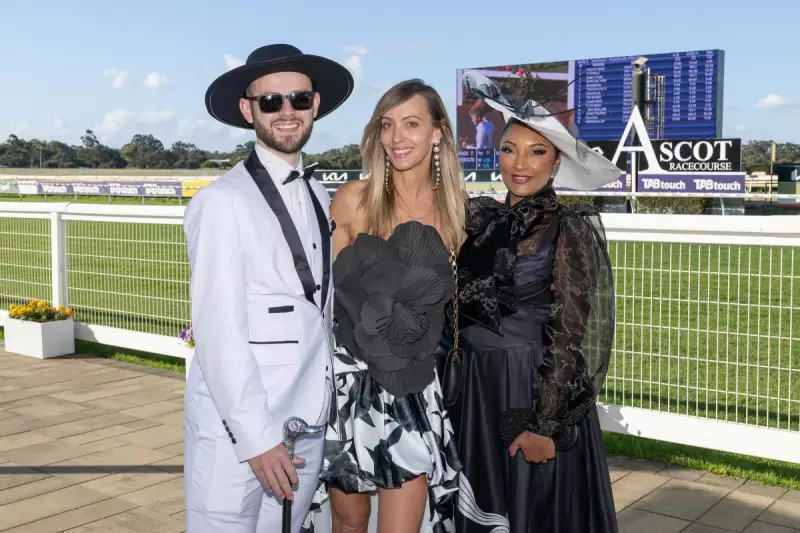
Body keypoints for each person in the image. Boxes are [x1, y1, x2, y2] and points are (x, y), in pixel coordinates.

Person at [182, 44, 353, 533]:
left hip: (306, 426)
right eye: (270, 102)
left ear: (315, 105)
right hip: (239, 435)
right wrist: (257, 440)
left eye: (298, 99)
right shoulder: (220, 203)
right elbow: (217, 333)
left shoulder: (319, 194)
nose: (286, 112)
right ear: (247, 110)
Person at [440, 72, 620, 532]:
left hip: (531, 391)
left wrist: (545, 425)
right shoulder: (478, 219)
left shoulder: (569, 228)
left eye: (536, 151)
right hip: (475, 389)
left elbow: (572, 335)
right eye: (508, 149)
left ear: (556, 162)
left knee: (532, 511)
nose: (520, 163)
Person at [311, 79, 466, 533]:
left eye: (412, 124)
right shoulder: (353, 201)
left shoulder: (458, 213)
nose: (397, 138)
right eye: (387, 125)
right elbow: (323, 303)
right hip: (349, 385)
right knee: (348, 520)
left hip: (414, 390)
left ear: (438, 132)